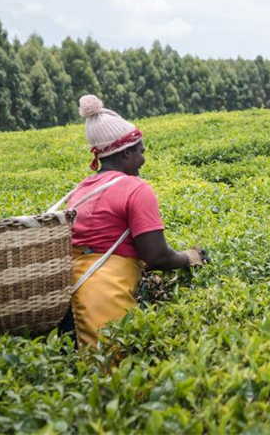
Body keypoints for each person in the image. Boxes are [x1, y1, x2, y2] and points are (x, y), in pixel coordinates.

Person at [63, 94, 208, 348]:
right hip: (104, 300)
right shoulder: (136, 189)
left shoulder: (79, 191)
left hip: (66, 301)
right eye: (141, 152)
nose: (143, 159)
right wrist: (190, 257)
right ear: (127, 152)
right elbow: (157, 256)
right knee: (113, 378)